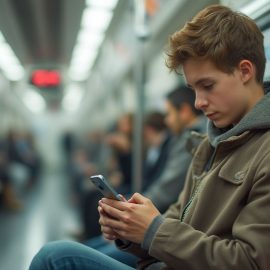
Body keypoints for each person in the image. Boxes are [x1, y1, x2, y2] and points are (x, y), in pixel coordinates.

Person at [29, 4, 270, 270]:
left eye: (208, 86)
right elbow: (177, 220)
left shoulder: (263, 152)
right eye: (193, 89)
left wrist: (153, 229)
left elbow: (251, 262)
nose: (198, 102)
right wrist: (130, 230)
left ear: (245, 71)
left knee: (56, 258)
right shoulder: (208, 144)